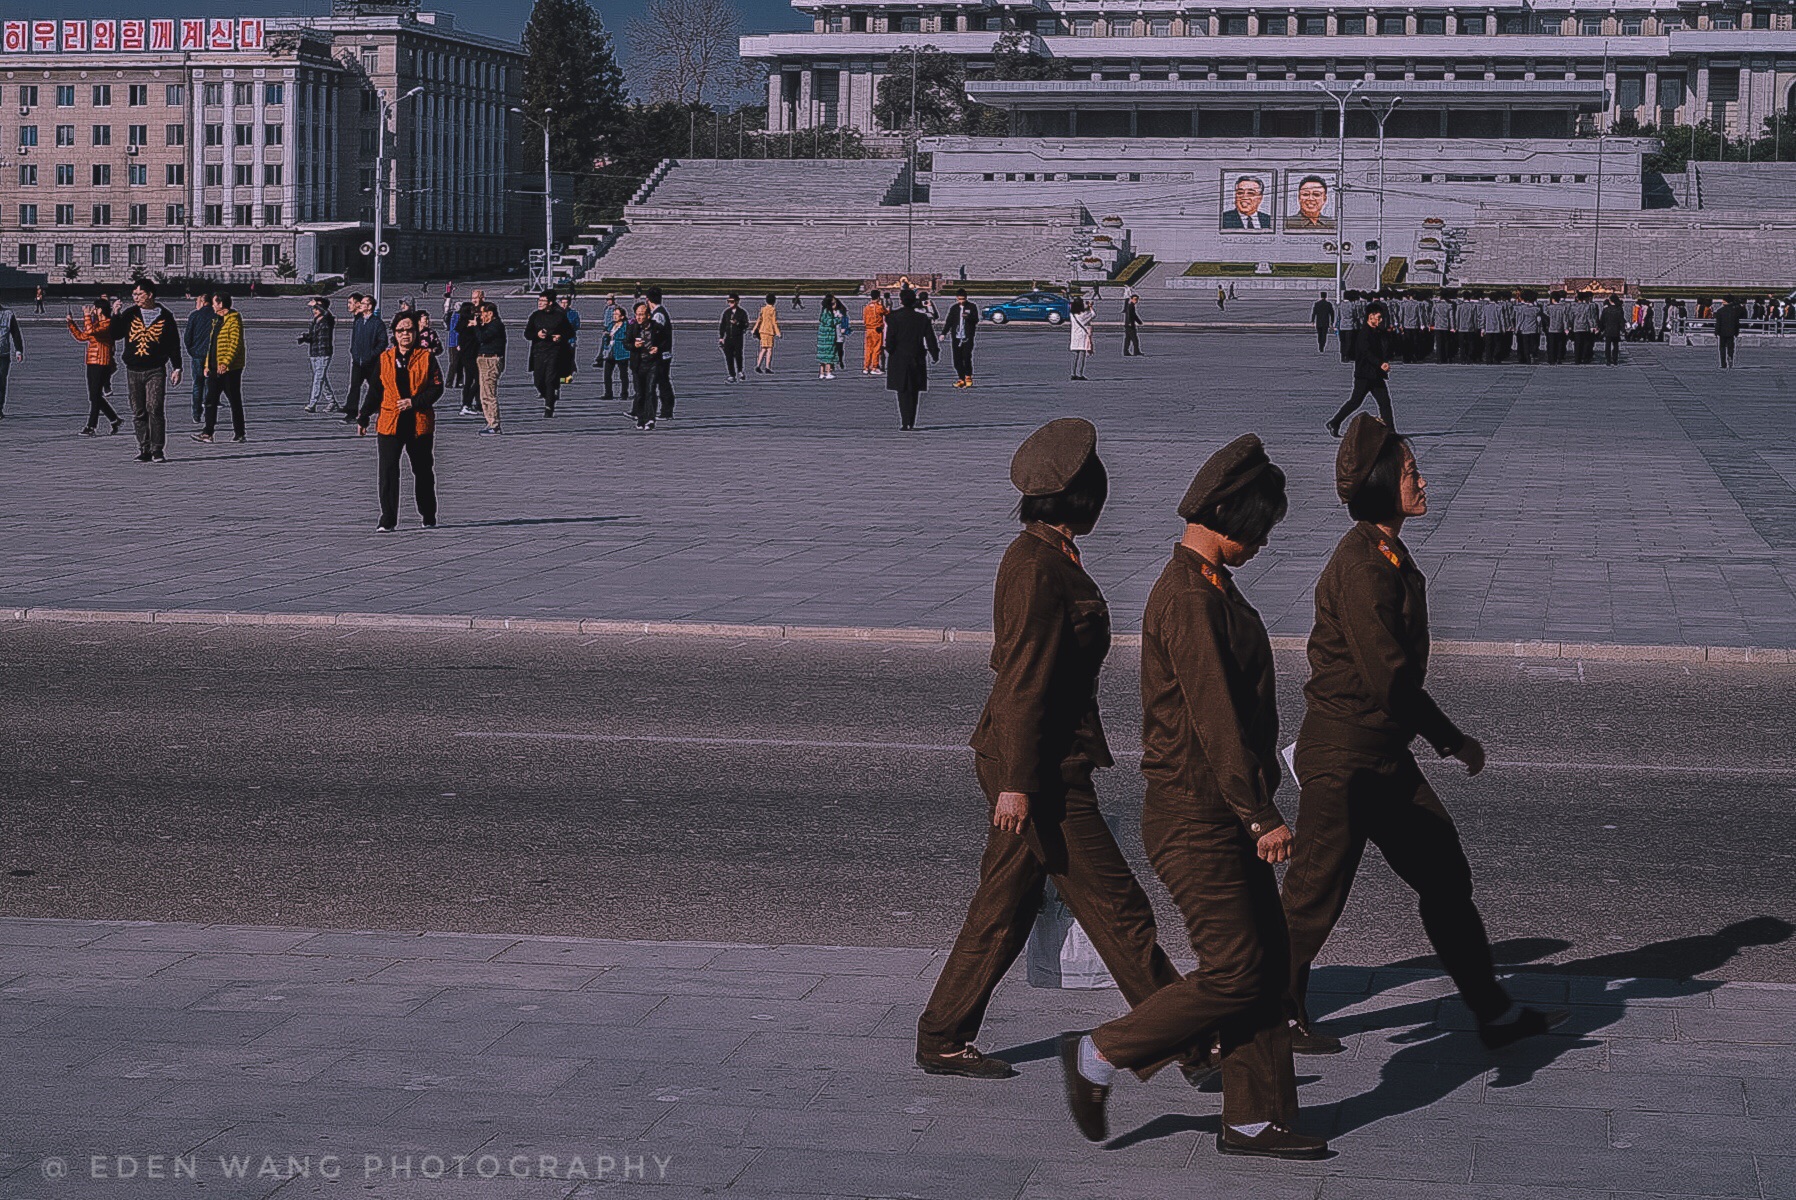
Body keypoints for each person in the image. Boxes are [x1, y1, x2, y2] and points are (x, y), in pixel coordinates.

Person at [1060, 436, 1327, 1161]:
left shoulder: (1209, 585)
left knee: (1265, 966)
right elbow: (1215, 719)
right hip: (1196, 817)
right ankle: (1100, 1052)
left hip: (1220, 812)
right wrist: (1260, 813)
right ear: (1225, 515)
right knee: (1238, 970)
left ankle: (1252, 1118)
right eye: (1259, 528)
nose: (1263, 543)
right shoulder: (1188, 598)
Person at [1279, 414, 1570, 1056]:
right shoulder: (1362, 566)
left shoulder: (1385, 552)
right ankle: (1260, 1015)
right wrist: (1451, 739)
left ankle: (1492, 1013)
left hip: (1381, 752)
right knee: (1313, 895)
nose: (1423, 481)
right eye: (1411, 472)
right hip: (1345, 756)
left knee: (1443, 875)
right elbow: (1390, 680)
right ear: (1384, 482)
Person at [917, 418, 1181, 1079]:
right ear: (1079, 496)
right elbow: (1024, 680)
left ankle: (942, 1036)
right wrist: (1018, 781)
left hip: (1032, 758)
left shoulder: (1045, 554)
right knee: (1117, 907)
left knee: (1004, 903)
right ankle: (1191, 1039)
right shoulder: (1037, 567)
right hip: (1040, 769)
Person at [367, 310, 443, 533]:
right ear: (394, 334)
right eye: (400, 331)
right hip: (390, 422)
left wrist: (414, 402)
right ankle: (387, 519)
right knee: (388, 472)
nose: (405, 335)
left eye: (409, 330)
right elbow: (375, 389)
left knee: (423, 471)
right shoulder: (385, 358)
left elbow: (437, 387)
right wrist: (363, 415)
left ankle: (428, 514)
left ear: (416, 332)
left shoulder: (426, 357)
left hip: (418, 423)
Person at [114, 280, 183, 462]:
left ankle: (157, 449)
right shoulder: (130, 314)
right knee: (138, 410)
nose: (135, 298)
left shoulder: (165, 316)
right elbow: (116, 334)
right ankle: (144, 448)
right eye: (134, 294)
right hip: (133, 369)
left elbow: (173, 344)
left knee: (155, 407)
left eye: (139, 294)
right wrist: (115, 314)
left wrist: (177, 367)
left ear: (150, 294)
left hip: (155, 369)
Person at [1327, 300, 1393, 435]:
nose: (1380, 320)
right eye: (1378, 317)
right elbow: (1366, 352)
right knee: (1355, 402)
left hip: (1376, 375)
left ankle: (1391, 431)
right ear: (1371, 316)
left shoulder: (1378, 332)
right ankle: (1334, 422)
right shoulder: (1364, 333)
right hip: (1364, 375)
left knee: (1385, 403)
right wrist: (1380, 363)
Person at [192, 292, 246, 444]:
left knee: (234, 400)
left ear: (221, 304)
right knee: (210, 400)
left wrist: (226, 363)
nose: (213, 305)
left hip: (230, 369)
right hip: (214, 368)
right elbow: (212, 345)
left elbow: (235, 344)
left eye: (215, 302)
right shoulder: (217, 320)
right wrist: (207, 365)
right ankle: (208, 432)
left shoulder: (233, 320)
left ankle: (240, 432)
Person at [882, 287, 938, 431]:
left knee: (902, 391)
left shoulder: (894, 317)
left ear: (900, 301)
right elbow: (930, 338)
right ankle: (911, 420)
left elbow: (890, 338)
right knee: (914, 390)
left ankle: (905, 421)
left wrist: (890, 351)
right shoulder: (921, 318)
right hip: (916, 356)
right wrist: (934, 353)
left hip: (899, 358)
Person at [68, 301, 122, 437]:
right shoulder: (96, 324)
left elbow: (92, 331)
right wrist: (71, 323)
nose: (93, 310)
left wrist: (86, 316)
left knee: (95, 396)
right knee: (94, 396)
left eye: (95, 308)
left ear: (100, 310)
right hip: (91, 361)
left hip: (102, 362)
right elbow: (82, 336)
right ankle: (114, 419)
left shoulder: (108, 324)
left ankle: (91, 426)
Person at [524, 290, 572, 417]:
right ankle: (549, 396)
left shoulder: (559, 316)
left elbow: (570, 332)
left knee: (550, 379)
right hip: (538, 351)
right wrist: (537, 334)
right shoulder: (535, 316)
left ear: (550, 303)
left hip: (554, 351)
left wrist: (561, 336)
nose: (540, 303)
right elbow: (527, 334)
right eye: (539, 300)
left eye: (543, 301)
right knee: (538, 381)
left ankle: (548, 408)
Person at [345, 293, 388, 427]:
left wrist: (372, 355)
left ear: (369, 306)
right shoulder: (359, 321)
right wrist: (354, 352)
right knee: (354, 387)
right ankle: (351, 412)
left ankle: (379, 408)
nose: (360, 305)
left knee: (375, 387)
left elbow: (383, 342)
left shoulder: (377, 323)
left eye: (363, 303)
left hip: (372, 362)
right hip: (358, 361)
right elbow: (355, 339)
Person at [471, 301, 505, 436]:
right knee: (484, 393)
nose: (481, 316)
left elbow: (482, 337)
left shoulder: (496, 325)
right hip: (484, 359)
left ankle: (494, 424)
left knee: (489, 393)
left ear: (490, 313)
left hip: (491, 360)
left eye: (483, 313)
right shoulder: (488, 325)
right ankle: (490, 422)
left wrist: (476, 326)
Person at [299, 297, 337, 413]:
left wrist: (316, 303)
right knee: (321, 378)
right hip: (314, 353)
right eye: (314, 308)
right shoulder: (314, 322)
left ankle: (312, 403)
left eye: (317, 308)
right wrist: (304, 338)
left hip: (324, 353)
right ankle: (332, 402)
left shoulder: (328, 319)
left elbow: (327, 313)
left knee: (318, 379)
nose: (314, 310)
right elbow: (312, 337)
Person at [644, 287, 675, 418]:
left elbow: (656, 335)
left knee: (661, 382)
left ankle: (666, 410)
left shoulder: (658, 315)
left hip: (661, 354)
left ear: (648, 300)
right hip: (663, 352)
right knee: (661, 381)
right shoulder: (659, 312)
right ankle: (664, 410)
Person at [184, 293, 215, 425]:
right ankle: (209, 413)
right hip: (212, 356)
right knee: (210, 385)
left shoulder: (194, 315)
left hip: (197, 355)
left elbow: (187, 337)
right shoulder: (216, 315)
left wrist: (192, 351)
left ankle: (196, 414)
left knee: (197, 384)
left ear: (202, 302)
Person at [944, 288, 979, 387]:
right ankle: (961, 378)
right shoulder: (954, 308)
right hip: (956, 337)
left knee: (966, 357)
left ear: (966, 298)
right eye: (959, 299)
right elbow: (949, 321)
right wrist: (943, 333)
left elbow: (976, 320)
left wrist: (968, 318)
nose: (961, 301)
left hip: (967, 336)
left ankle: (968, 376)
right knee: (957, 359)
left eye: (963, 299)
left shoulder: (972, 307)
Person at [452, 302, 480, 416]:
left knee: (468, 381)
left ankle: (465, 404)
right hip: (469, 355)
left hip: (466, 355)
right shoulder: (468, 323)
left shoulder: (462, 323)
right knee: (479, 380)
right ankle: (467, 403)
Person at [601, 306, 633, 405]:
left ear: (622, 316)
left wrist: (613, 336)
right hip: (611, 351)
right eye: (614, 314)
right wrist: (606, 338)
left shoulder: (626, 326)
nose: (614, 316)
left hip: (621, 352)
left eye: (616, 314)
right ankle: (608, 393)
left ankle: (624, 393)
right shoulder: (611, 325)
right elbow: (606, 337)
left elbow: (626, 337)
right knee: (607, 374)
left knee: (623, 374)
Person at [718, 293, 749, 383]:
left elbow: (746, 325)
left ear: (737, 302)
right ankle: (732, 375)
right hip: (728, 338)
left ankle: (740, 370)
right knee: (729, 357)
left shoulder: (742, 313)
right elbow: (722, 325)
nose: (730, 303)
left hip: (738, 337)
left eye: (732, 301)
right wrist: (721, 337)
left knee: (738, 355)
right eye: (728, 301)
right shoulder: (726, 313)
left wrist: (738, 323)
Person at [0, 297, 22, 419]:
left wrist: (19, 350)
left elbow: (15, 333)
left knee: (1, 381)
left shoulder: (8, 314)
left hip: (3, 353)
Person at [753, 293, 781, 374]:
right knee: (769, 349)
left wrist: (754, 328)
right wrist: (778, 332)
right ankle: (767, 367)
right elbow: (774, 322)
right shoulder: (772, 310)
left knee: (763, 348)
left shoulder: (763, 309)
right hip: (769, 331)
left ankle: (758, 365)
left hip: (762, 331)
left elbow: (759, 320)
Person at [557, 293, 582, 385]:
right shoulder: (556, 313)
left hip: (570, 339)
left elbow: (577, 325)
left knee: (570, 359)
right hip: (559, 340)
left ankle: (568, 377)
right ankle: (559, 376)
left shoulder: (573, 314)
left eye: (566, 302)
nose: (564, 304)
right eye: (562, 302)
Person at [1068, 296, 1095, 380]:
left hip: (1074, 336)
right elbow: (1093, 314)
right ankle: (1080, 374)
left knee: (1075, 356)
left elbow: (1082, 313)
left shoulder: (1072, 314)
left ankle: (1073, 374)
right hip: (1082, 336)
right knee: (1082, 356)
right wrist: (1090, 307)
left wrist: (1087, 308)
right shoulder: (1083, 315)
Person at [861, 291, 887, 375]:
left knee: (868, 349)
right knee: (876, 349)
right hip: (877, 329)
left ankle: (866, 367)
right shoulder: (879, 307)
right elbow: (887, 313)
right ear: (878, 297)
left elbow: (864, 319)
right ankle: (874, 367)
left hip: (868, 329)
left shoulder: (867, 307)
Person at [816, 293, 840, 381]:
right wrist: (838, 319)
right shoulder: (828, 312)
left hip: (822, 337)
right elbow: (830, 322)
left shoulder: (823, 311)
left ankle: (821, 373)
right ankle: (828, 372)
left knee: (822, 356)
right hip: (828, 338)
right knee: (828, 355)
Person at [1571, 291, 1598, 365]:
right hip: (1585, 327)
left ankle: (1577, 359)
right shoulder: (1587, 306)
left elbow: (1571, 317)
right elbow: (1589, 317)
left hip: (1576, 327)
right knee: (1585, 343)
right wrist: (1593, 326)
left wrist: (1570, 325)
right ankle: (1584, 358)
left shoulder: (1573, 306)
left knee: (1577, 344)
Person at [1714, 295, 1741, 368]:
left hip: (1722, 332)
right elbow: (1737, 323)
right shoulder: (1734, 311)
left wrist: (1716, 332)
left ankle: (1723, 363)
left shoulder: (1720, 311)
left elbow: (1718, 323)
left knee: (1722, 348)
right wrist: (1736, 332)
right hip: (1731, 332)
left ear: (1725, 301)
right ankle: (1730, 357)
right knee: (1730, 347)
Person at [1600, 295, 1625, 366]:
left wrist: (1601, 329)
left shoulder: (1606, 310)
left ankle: (1608, 360)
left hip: (1608, 329)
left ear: (1610, 301)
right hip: (1616, 329)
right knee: (1616, 345)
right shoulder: (1619, 309)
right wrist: (1622, 329)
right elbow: (1621, 320)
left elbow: (1602, 320)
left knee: (1607, 345)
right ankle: (1615, 360)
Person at [1335, 290, 1357, 363]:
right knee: (1348, 342)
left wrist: (1336, 324)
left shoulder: (1340, 305)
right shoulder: (1352, 305)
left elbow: (1338, 316)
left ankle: (1342, 355)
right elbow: (1354, 315)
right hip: (1349, 325)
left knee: (1342, 342)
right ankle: (1347, 355)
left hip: (1342, 325)